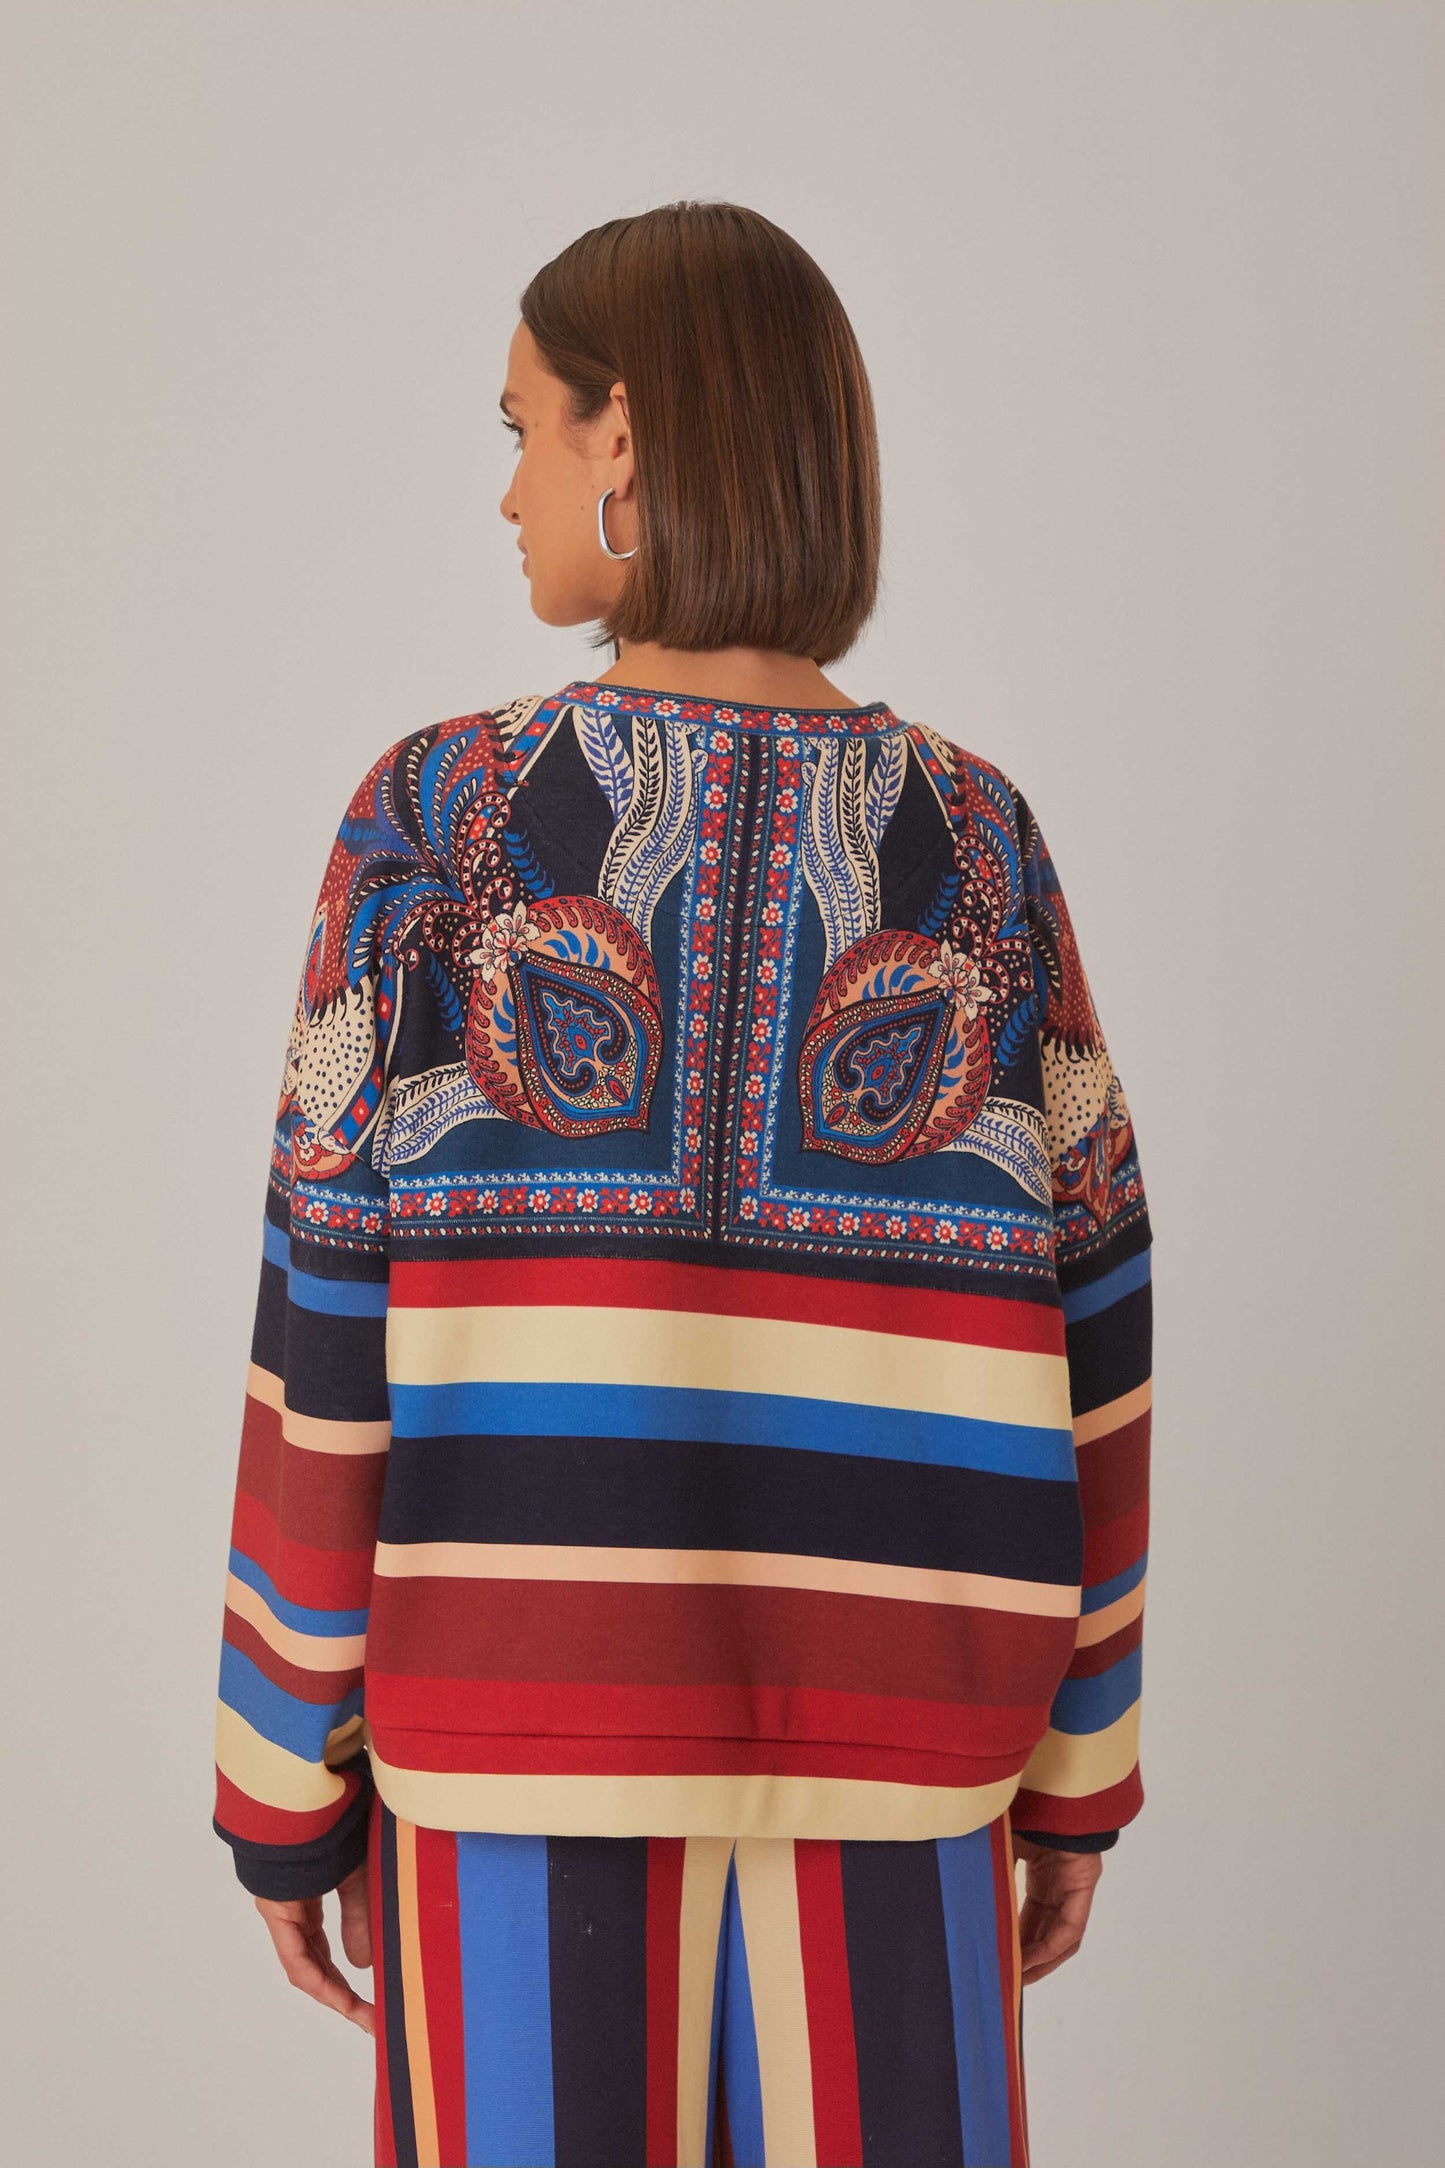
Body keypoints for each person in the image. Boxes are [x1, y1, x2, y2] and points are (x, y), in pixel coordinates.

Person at [212, 200, 1152, 2168]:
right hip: (905, 1776)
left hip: (511, 1768)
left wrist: (286, 1777)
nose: (509, 492)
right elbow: (1100, 1315)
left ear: (622, 437)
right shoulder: (983, 844)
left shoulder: (435, 825)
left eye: (522, 429)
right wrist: (1078, 1769)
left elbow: (326, 1323)